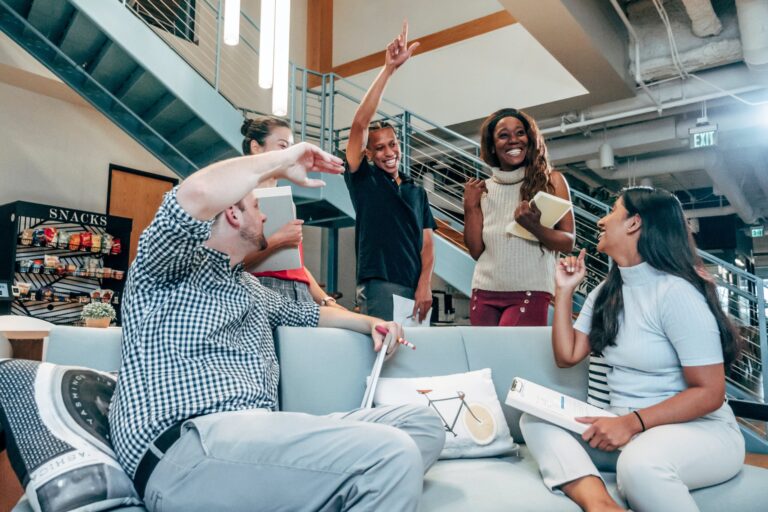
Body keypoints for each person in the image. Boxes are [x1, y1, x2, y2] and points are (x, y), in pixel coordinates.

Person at [108, 141, 445, 512]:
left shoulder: (249, 287)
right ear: (234, 215)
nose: (265, 217)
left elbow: (313, 314)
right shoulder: (167, 270)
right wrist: (285, 158)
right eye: (257, 207)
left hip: (257, 439)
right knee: (392, 454)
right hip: (190, 445)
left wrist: (372, 323)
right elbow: (197, 193)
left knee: (422, 426)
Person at [520, 186, 744, 512]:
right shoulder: (606, 292)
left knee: (639, 466)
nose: (601, 220)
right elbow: (567, 356)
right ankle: (600, 504)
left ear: (634, 223)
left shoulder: (675, 293)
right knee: (536, 419)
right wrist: (564, 290)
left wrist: (629, 424)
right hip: (626, 428)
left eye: (612, 210)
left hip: (695, 431)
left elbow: (710, 392)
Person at [345, 21, 437, 323]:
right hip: (380, 285)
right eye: (380, 148)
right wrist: (388, 70)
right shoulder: (363, 179)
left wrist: (425, 285)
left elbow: (427, 244)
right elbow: (360, 124)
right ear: (369, 154)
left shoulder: (415, 190)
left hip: (417, 289)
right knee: (385, 362)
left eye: (392, 144)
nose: (389, 152)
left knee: (415, 366)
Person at [463, 108, 575, 326]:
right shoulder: (482, 189)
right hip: (484, 290)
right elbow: (477, 251)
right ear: (492, 146)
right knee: (485, 360)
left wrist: (535, 227)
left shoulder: (552, 181)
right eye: (503, 135)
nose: (513, 140)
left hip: (530, 290)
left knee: (514, 359)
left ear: (530, 139)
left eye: (520, 133)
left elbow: (568, 242)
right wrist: (470, 208)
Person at [241, 116, 345, 309]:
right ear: (256, 147)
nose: (290, 155)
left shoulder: (285, 199)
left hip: (300, 291)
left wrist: (326, 300)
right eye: (283, 146)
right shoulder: (239, 197)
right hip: (263, 290)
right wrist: (278, 240)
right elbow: (231, 263)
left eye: (291, 148)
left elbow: (296, 265)